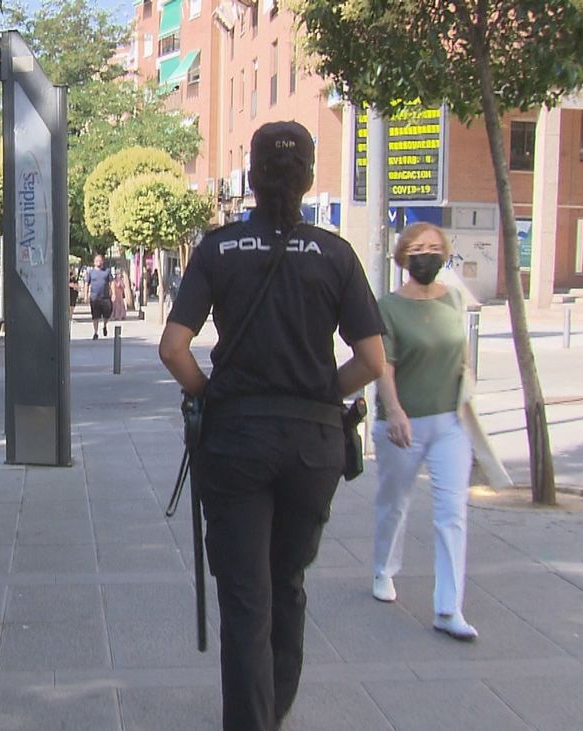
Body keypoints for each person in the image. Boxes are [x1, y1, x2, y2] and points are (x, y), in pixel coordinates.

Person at [159, 120, 386, 731]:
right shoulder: (336, 254)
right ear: (309, 178)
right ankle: (274, 710)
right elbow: (370, 361)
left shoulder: (218, 248)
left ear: (251, 179)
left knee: (245, 601)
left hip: (236, 442)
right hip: (313, 447)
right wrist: (317, 394)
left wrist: (212, 394)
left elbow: (174, 347)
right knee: (287, 582)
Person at [370, 221, 478, 641]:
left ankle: (449, 608)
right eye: (418, 248)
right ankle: (383, 569)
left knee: (453, 512)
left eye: (434, 247)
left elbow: (461, 354)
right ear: (403, 255)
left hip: (452, 422)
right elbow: (384, 363)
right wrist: (394, 410)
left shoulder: (454, 299)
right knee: (394, 504)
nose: (426, 254)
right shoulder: (389, 307)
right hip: (403, 423)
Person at [86, 253, 114, 339]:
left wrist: (113, 294)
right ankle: (95, 332)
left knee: (107, 314)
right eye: (97, 260)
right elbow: (87, 284)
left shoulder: (107, 271)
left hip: (105, 297)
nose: (98, 262)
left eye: (100, 260)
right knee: (95, 316)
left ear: (102, 261)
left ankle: (105, 325)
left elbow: (111, 282)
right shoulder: (91, 272)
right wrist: (86, 295)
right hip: (94, 297)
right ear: (94, 262)